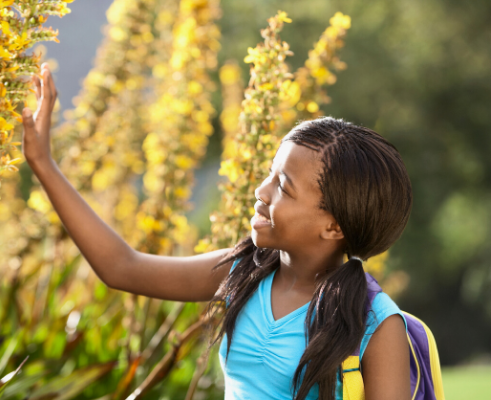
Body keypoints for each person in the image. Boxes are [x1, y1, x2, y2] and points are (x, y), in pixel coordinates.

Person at [22, 64, 412, 400]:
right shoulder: (244, 272)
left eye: (283, 187)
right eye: (269, 175)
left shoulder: (375, 322)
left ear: (334, 226)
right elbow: (122, 267)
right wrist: (43, 162)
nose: (261, 192)